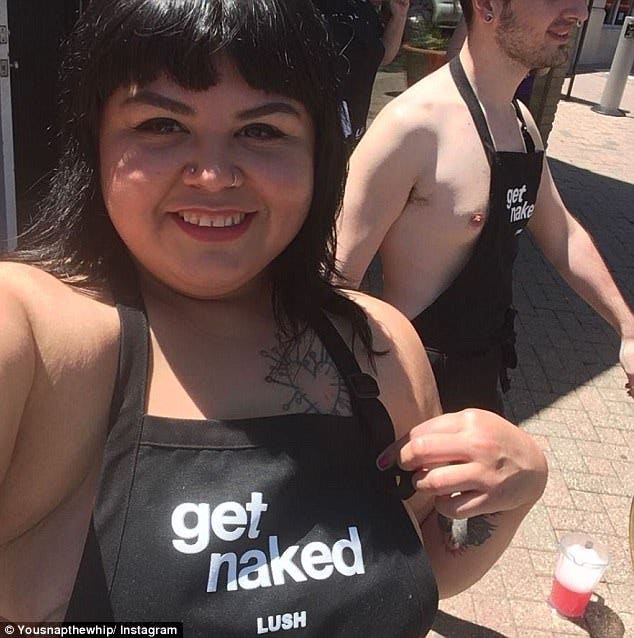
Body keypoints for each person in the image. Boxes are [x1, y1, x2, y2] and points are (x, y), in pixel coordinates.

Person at [0, 0, 547, 633]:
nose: (213, 176)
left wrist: (515, 495)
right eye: (161, 124)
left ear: (319, 154)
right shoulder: (38, 339)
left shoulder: (380, 347)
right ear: (94, 141)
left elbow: (411, 572)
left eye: (261, 131)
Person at [337, 0, 634, 415]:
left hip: (483, 379)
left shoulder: (522, 123)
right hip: (413, 395)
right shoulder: (413, 127)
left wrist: (627, 327)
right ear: (488, 5)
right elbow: (335, 282)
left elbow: (562, 234)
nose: (579, 13)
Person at [315, 0, 410, 143]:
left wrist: (399, 16)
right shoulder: (312, 7)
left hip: (353, 130)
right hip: (317, 130)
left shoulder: (363, 9)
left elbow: (381, 55)